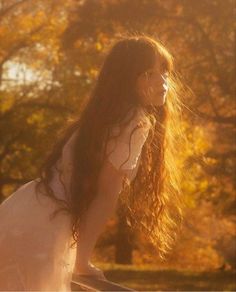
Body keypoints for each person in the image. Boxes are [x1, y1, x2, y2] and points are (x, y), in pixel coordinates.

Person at [0, 34, 185, 291]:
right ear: (125, 80)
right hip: (46, 227)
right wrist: (82, 261)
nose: (162, 81)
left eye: (164, 71)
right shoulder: (135, 121)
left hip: (23, 212)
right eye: (147, 73)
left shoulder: (105, 118)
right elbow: (106, 193)